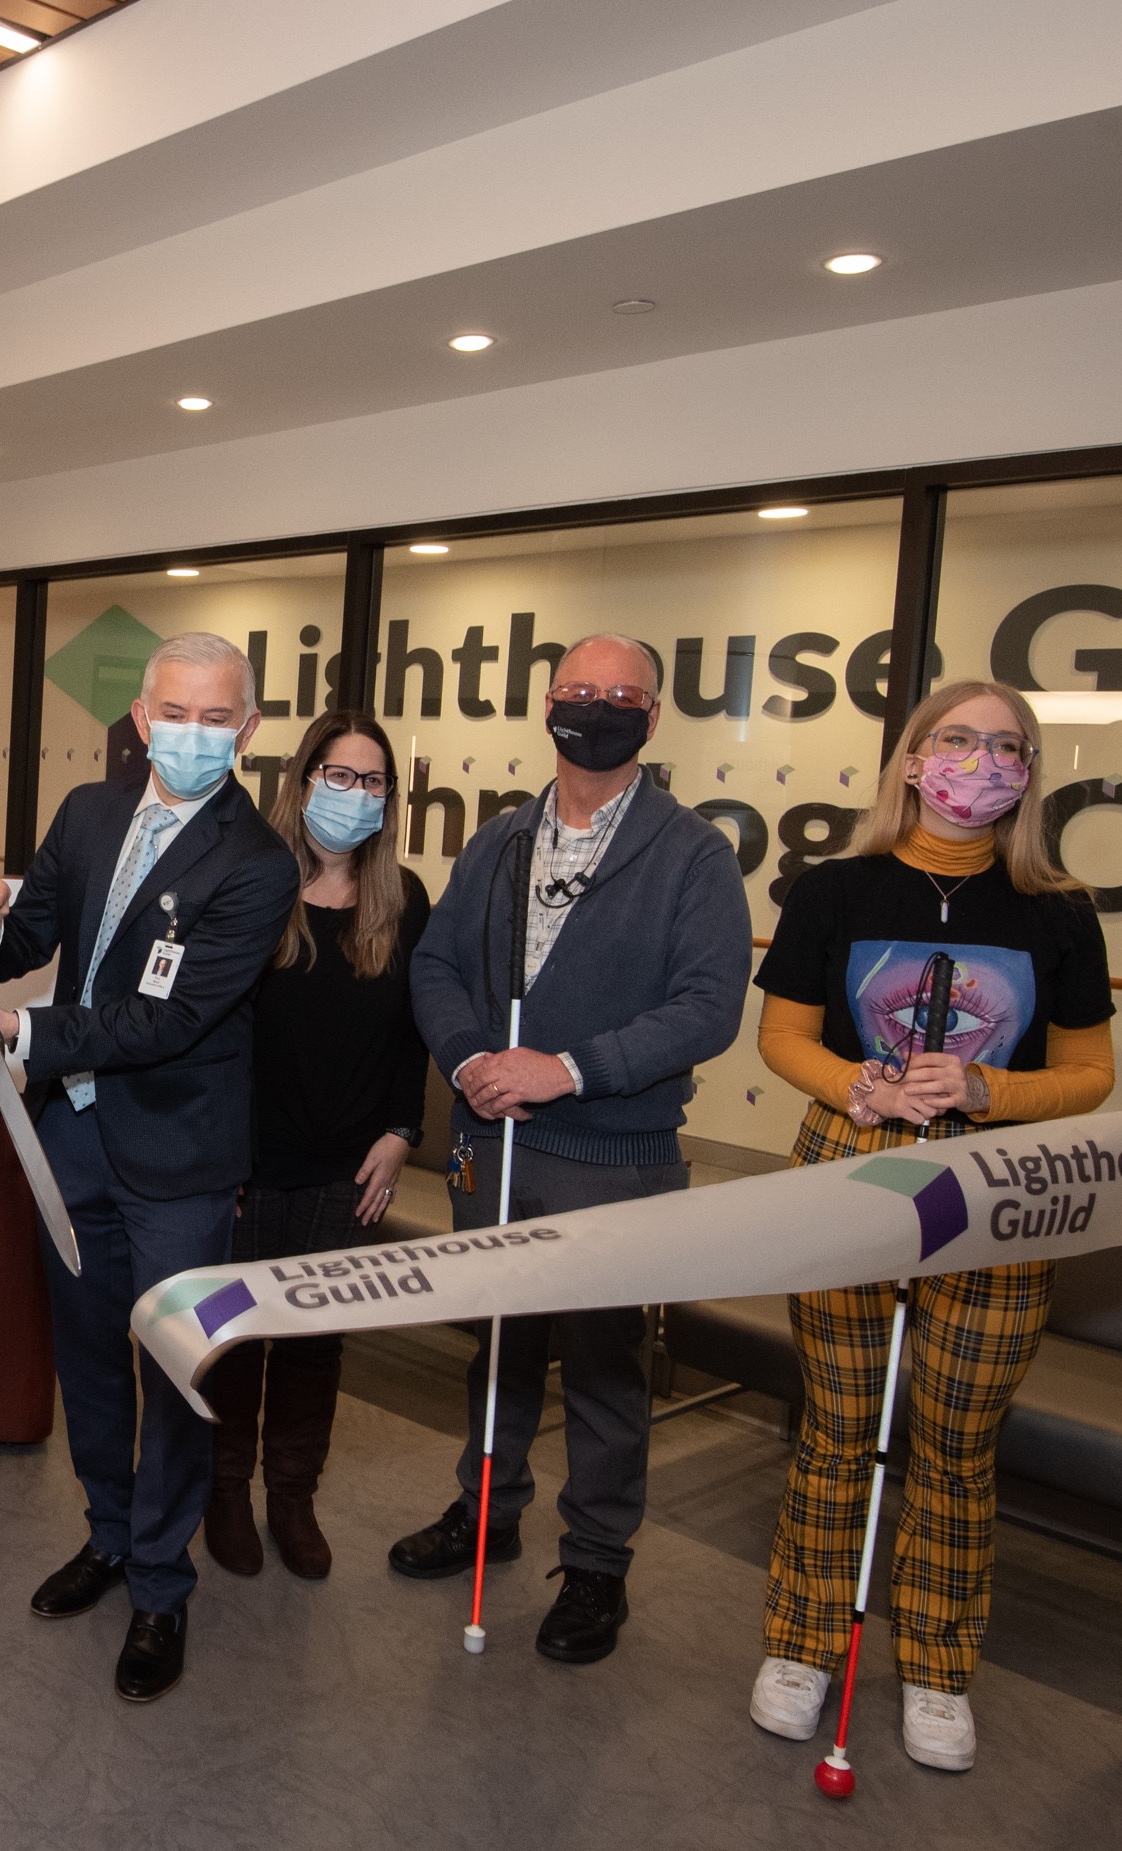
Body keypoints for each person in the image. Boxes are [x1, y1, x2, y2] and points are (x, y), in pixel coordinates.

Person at [744, 681, 1114, 1774]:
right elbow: (784, 1037)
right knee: (836, 1427)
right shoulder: (837, 889)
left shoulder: (1060, 909)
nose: (982, 760)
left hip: (998, 1186)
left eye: (1008, 746)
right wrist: (854, 1085)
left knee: (956, 1445)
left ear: (1028, 774)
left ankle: (939, 1663)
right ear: (912, 760)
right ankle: (805, 1642)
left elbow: (1091, 1073)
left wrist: (995, 1090)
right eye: (959, 739)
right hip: (852, 1173)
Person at [391, 631, 750, 1663]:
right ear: (549, 704)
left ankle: (596, 1559)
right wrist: (469, 1060)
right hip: (492, 1138)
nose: (598, 707)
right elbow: (438, 965)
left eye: (621, 693)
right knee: (498, 1344)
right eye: (580, 690)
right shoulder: (500, 840)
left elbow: (708, 1008)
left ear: (653, 713)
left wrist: (568, 1066)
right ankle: (486, 1506)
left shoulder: (692, 854)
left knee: (602, 1366)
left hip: (614, 1151)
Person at [0, 633, 295, 1703]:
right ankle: (108, 1535)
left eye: (220, 719)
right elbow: (30, 934)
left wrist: (24, 1036)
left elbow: (170, 1017)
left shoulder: (257, 861)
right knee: (89, 1359)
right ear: (142, 717)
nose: (197, 734)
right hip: (73, 1138)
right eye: (178, 712)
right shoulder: (88, 811)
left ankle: (161, 1582)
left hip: (180, 1159)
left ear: (245, 731)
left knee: (175, 1376)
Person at [204, 706, 428, 1584]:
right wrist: (218, 1153)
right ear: (302, 782)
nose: (357, 794)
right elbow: (213, 1028)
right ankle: (225, 1491)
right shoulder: (252, 885)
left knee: (315, 1337)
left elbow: (415, 1030)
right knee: (239, 1335)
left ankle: (291, 1498)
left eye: (374, 780)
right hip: (249, 1162)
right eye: (341, 775)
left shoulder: (402, 899)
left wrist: (402, 1130)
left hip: (349, 1166)